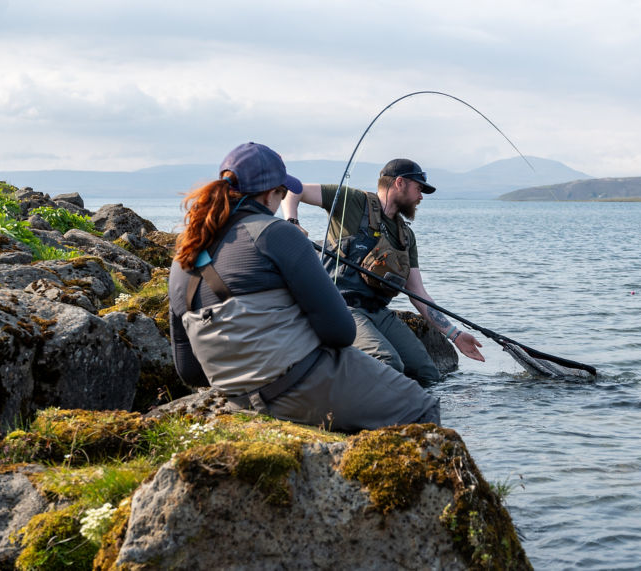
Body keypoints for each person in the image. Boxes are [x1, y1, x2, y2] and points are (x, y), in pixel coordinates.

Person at [168, 143, 439, 432]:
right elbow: (341, 332)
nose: (283, 198)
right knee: (422, 407)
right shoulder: (276, 234)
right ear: (270, 193)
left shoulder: (182, 261)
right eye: (282, 192)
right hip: (296, 388)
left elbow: (190, 372)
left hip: (238, 400)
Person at [281, 158, 485, 384]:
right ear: (400, 183)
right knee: (388, 362)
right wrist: (291, 222)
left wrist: (455, 336)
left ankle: (420, 416)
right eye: (418, 188)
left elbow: (418, 293)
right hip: (341, 307)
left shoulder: (406, 237)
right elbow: (294, 189)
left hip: (379, 312)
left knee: (427, 371)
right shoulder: (354, 201)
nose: (421, 197)